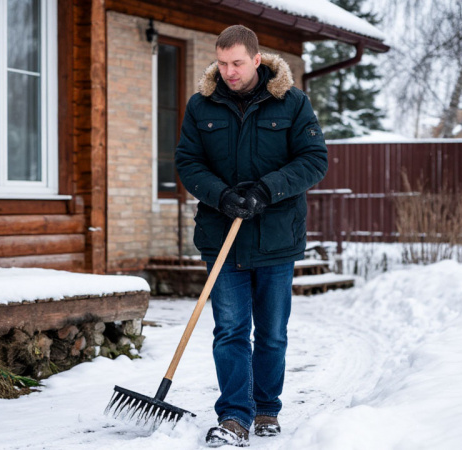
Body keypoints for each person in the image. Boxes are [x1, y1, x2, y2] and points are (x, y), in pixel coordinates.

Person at [175, 24, 328, 447]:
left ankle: (266, 410)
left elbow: (315, 160)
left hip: (276, 238)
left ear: (257, 60)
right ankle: (235, 416)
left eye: (237, 63)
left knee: (272, 332)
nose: (229, 72)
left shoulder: (292, 103)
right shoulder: (201, 105)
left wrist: (266, 189)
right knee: (230, 330)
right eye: (222, 63)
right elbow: (188, 162)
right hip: (221, 236)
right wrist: (221, 195)